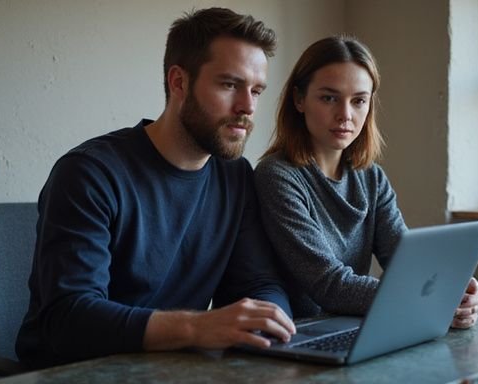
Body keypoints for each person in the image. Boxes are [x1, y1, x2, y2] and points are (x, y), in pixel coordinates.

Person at [16, 7, 296, 369]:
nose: (247, 107)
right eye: (229, 85)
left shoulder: (234, 176)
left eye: (256, 90)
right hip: (73, 373)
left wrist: (271, 323)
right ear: (178, 82)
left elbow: (258, 283)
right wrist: (197, 328)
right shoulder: (90, 173)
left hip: (172, 369)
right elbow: (69, 320)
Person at [254, 35, 478, 328]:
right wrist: (429, 297)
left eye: (359, 100)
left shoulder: (371, 177)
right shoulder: (277, 176)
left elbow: (406, 262)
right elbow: (329, 285)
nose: (345, 115)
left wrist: (457, 292)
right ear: (299, 99)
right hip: (300, 337)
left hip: (358, 327)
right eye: (329, 98)